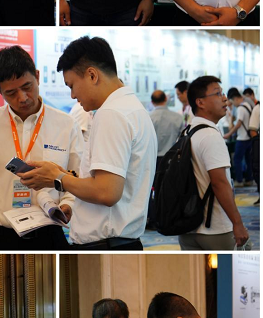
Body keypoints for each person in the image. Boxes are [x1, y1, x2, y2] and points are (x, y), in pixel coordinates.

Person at [25, 36, 157, 249]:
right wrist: (65, 176)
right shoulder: (132, 107)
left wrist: (57, 178)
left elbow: (106, 192)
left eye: (72, 85)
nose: (72, 95)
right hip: (119, 242)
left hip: (105, 245)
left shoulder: (111, 113)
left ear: (92, 75)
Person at [0, 45, 82, 250]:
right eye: (11, 93)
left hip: (50, 236)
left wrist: (68, 203)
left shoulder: (66, 125)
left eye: (27, 86)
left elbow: (79, 174)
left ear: (37, 76)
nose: (22, 98)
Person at [178, 76, 249, 250]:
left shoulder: (187, 133)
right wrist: (237, 223)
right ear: (200, 102)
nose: (224, 98)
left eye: (223, 93)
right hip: (215, 228)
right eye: (217, 94)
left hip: (187, 227)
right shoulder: (210, 136)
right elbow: (219, 183)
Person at [147, 90, 183, 227]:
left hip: (153, 158)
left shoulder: (148, 117)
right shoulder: (177, 117)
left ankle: (154, 218)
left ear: (152, 102)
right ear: (166, 99)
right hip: (172, 158)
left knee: (152, 189)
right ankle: (170, 217)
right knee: (171, 188)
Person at [224, 87, 254, 186]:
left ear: (235, 98)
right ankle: (249, 179)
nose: (233, 105)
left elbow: (238, 124)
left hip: (242, 138)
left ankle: (239, 180)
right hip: (249, 138)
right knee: (248, 160)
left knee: (237, 159)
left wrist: (229, 134)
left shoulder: (240, 108)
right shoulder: (247, 105)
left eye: (232, 102)